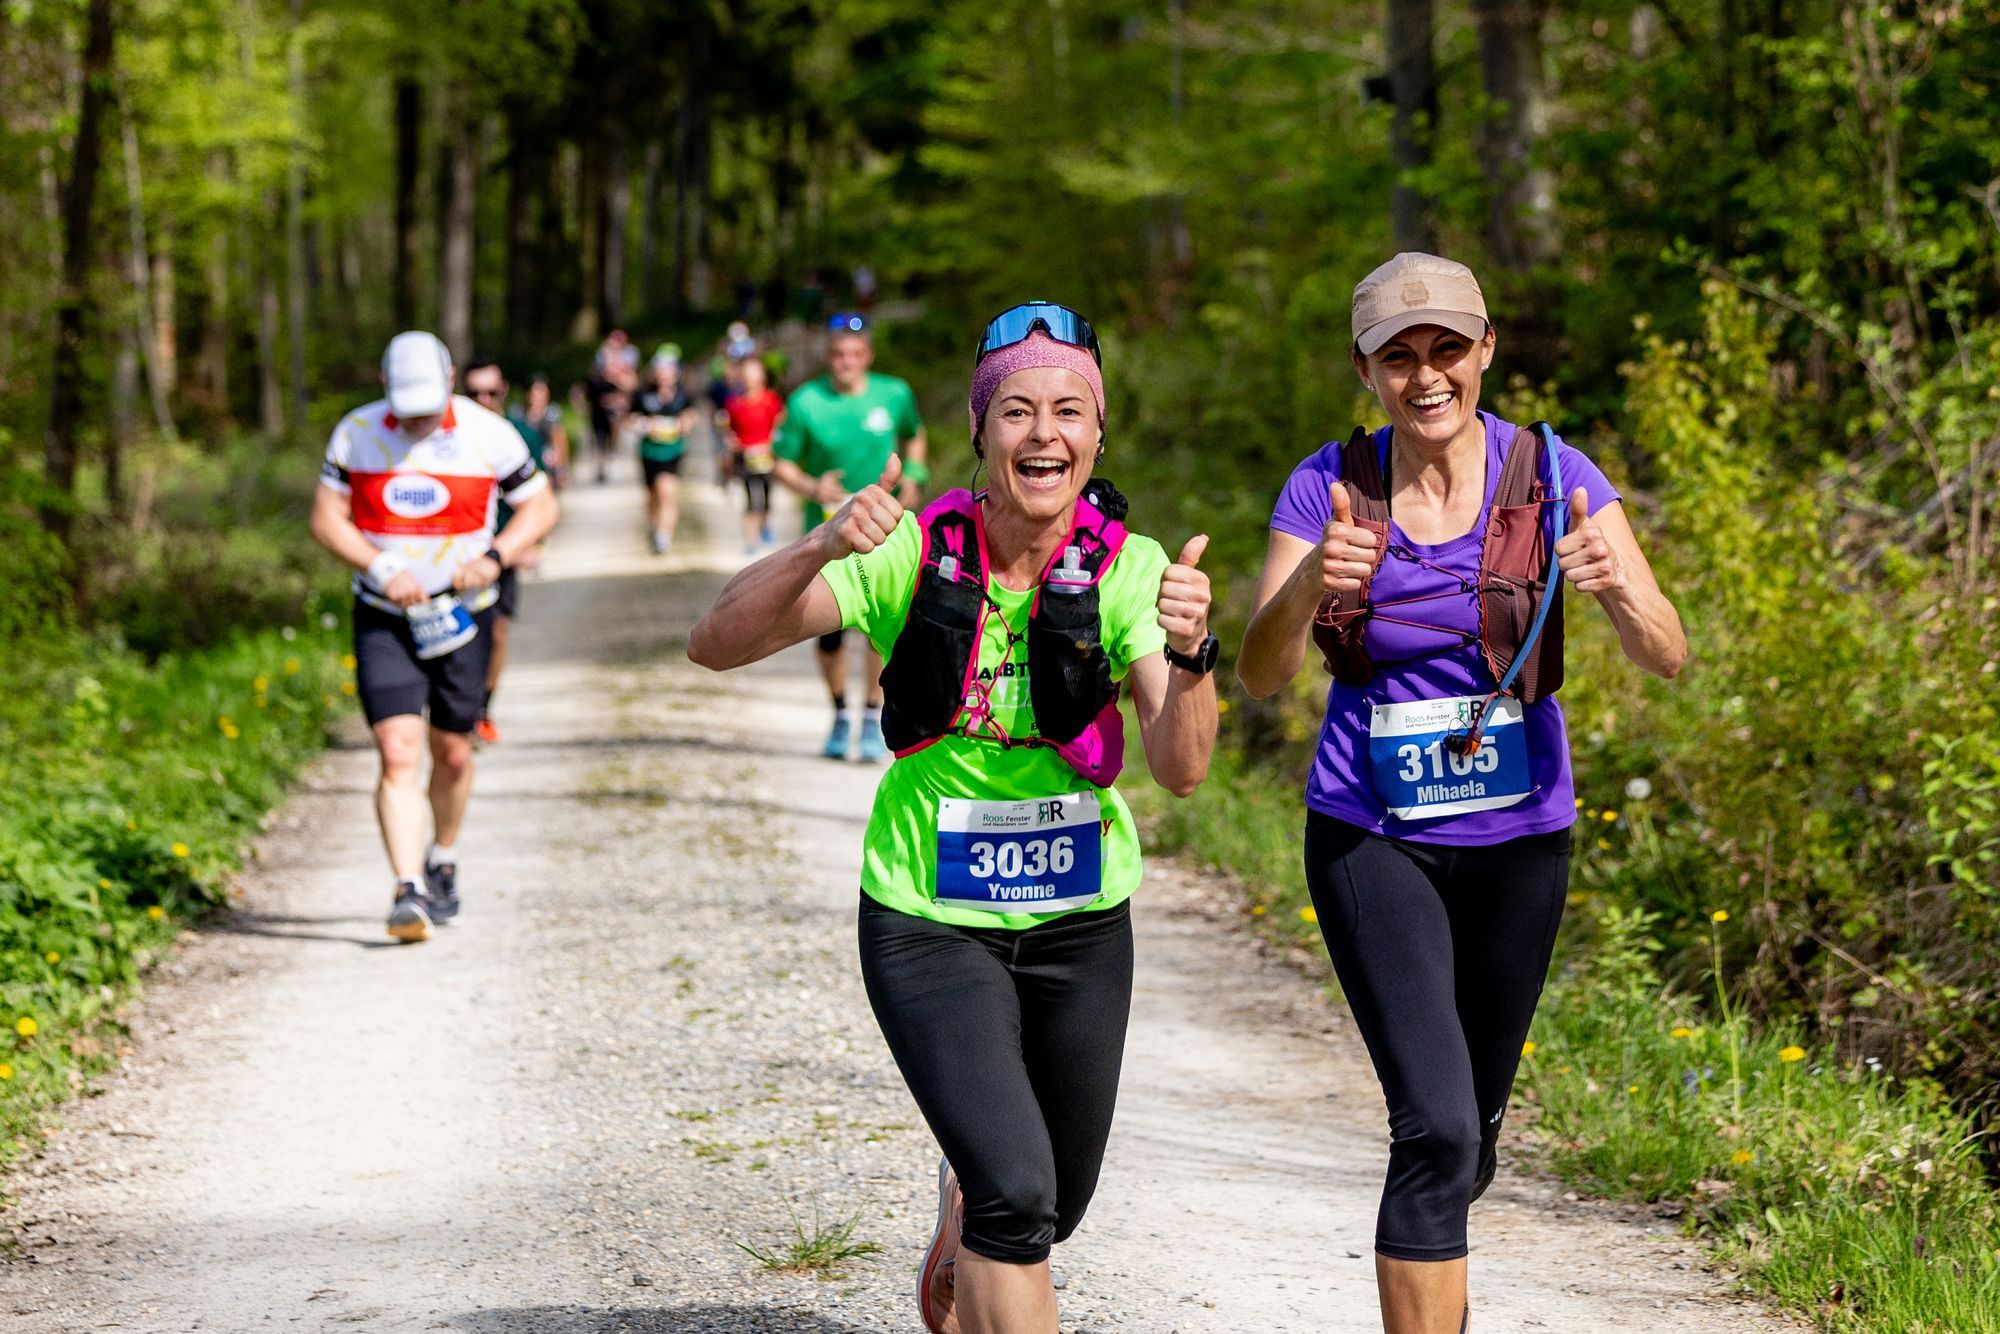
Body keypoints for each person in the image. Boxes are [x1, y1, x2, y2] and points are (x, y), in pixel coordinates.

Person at [689, 303, 1218, 1334]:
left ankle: (963, 1206)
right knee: (1016, 1199)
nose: (1042, 433)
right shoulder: (913, 552)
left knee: (1047, 1203)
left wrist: (1191, 654)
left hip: (1079, 922)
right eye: (1014, 410)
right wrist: (818, 542)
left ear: (1097, 436)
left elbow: (1180, 766)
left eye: (1068, 410)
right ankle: (980, 1197)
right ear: (978, 433)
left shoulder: (1128, 565)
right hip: (928, 916)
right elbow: (716, 642)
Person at [1236, 253, 1686, 1334]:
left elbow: (1666, 652)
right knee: (1431, 1125)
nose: (1424, 374)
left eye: (1446, 348)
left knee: (1472, 1133)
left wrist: (1619, 588)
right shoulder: (1328, 483)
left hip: (1521, 838)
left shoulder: (1551, 470)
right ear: (1365, 369)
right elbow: (1257, 672)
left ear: (1485, 351)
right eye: (1398, 355)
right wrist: (1312, 579)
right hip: (1368, 831)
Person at [310, 331, 560, 942]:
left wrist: (497, 556)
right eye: (405, 403)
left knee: (451, 751)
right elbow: (326, 519)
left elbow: (542, 506)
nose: (415, 416)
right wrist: (379, 566)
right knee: (398, 749)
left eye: (427, 401)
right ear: (383, 384)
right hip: (383, 616)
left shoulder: (486, 434)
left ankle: (440, 857)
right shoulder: (357, 433)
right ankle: (407, 890)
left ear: (449, 379)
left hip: (462, 615)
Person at [772, 313, 929, 761]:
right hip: (826, 528)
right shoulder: (806, 403)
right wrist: (811, 486)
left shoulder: (894, 393)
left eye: (855, 354)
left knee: (879, 625)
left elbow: (915, 436)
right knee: (831, 630)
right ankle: (841, 711)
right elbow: (780, 462)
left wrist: (915, 474)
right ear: (829, 357)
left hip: (885, 528)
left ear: (868, 357)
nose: (846, 362)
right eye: (839, 354)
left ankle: (874, 713)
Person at [460, 359, 551, 746]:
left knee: (496, 632)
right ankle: (453, 710)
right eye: (474, 393)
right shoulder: (447, 439)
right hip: (453, 556)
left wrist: (529, 543)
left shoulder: (521, 437)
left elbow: (539, 499)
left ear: (504, 392)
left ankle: (481, 708)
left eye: (491, 392)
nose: (483, 400)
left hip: (501, 551)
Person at [633, 350, 698, 555]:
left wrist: (685, 423)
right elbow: (630, 418)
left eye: (668, 369)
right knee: (652, 495)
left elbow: (691, 414)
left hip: (673, 450)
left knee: (666, 492)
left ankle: (663, 537)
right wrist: (645, 425)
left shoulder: (682, 394)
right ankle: (654, 526)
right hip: (649, 451)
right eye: (660, 369)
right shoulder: (643, 394)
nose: (664, 374)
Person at [721, 355, 785, 553]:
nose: (750, 378)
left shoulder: (771, 400)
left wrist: (773, 441)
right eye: (746, 373)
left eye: (754, 373)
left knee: (766, 497)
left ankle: (765, 523)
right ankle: (750, 540)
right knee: (750, 499)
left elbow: (781, 423)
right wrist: (732, 442)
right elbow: (729, 429)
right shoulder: (735, 404)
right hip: (745, 458)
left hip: (766, 457)